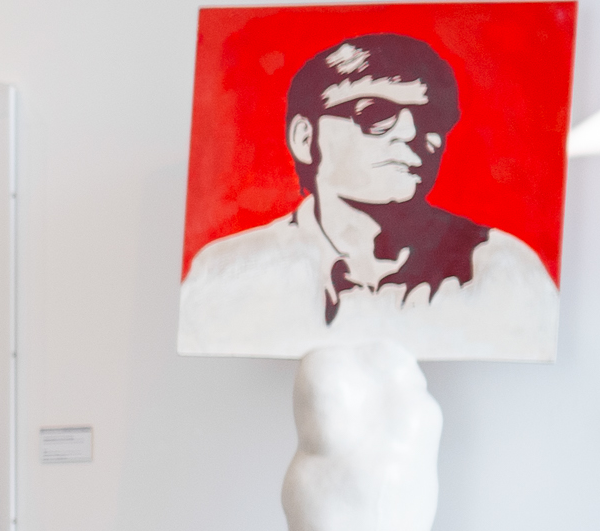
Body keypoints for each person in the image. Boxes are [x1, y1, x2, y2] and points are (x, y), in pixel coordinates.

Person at [178, 33, 556, 357]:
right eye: (374, 114)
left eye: (431, 119)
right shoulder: (231, 273)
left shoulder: (499, 268)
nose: (409, 132)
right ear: (305, 138)